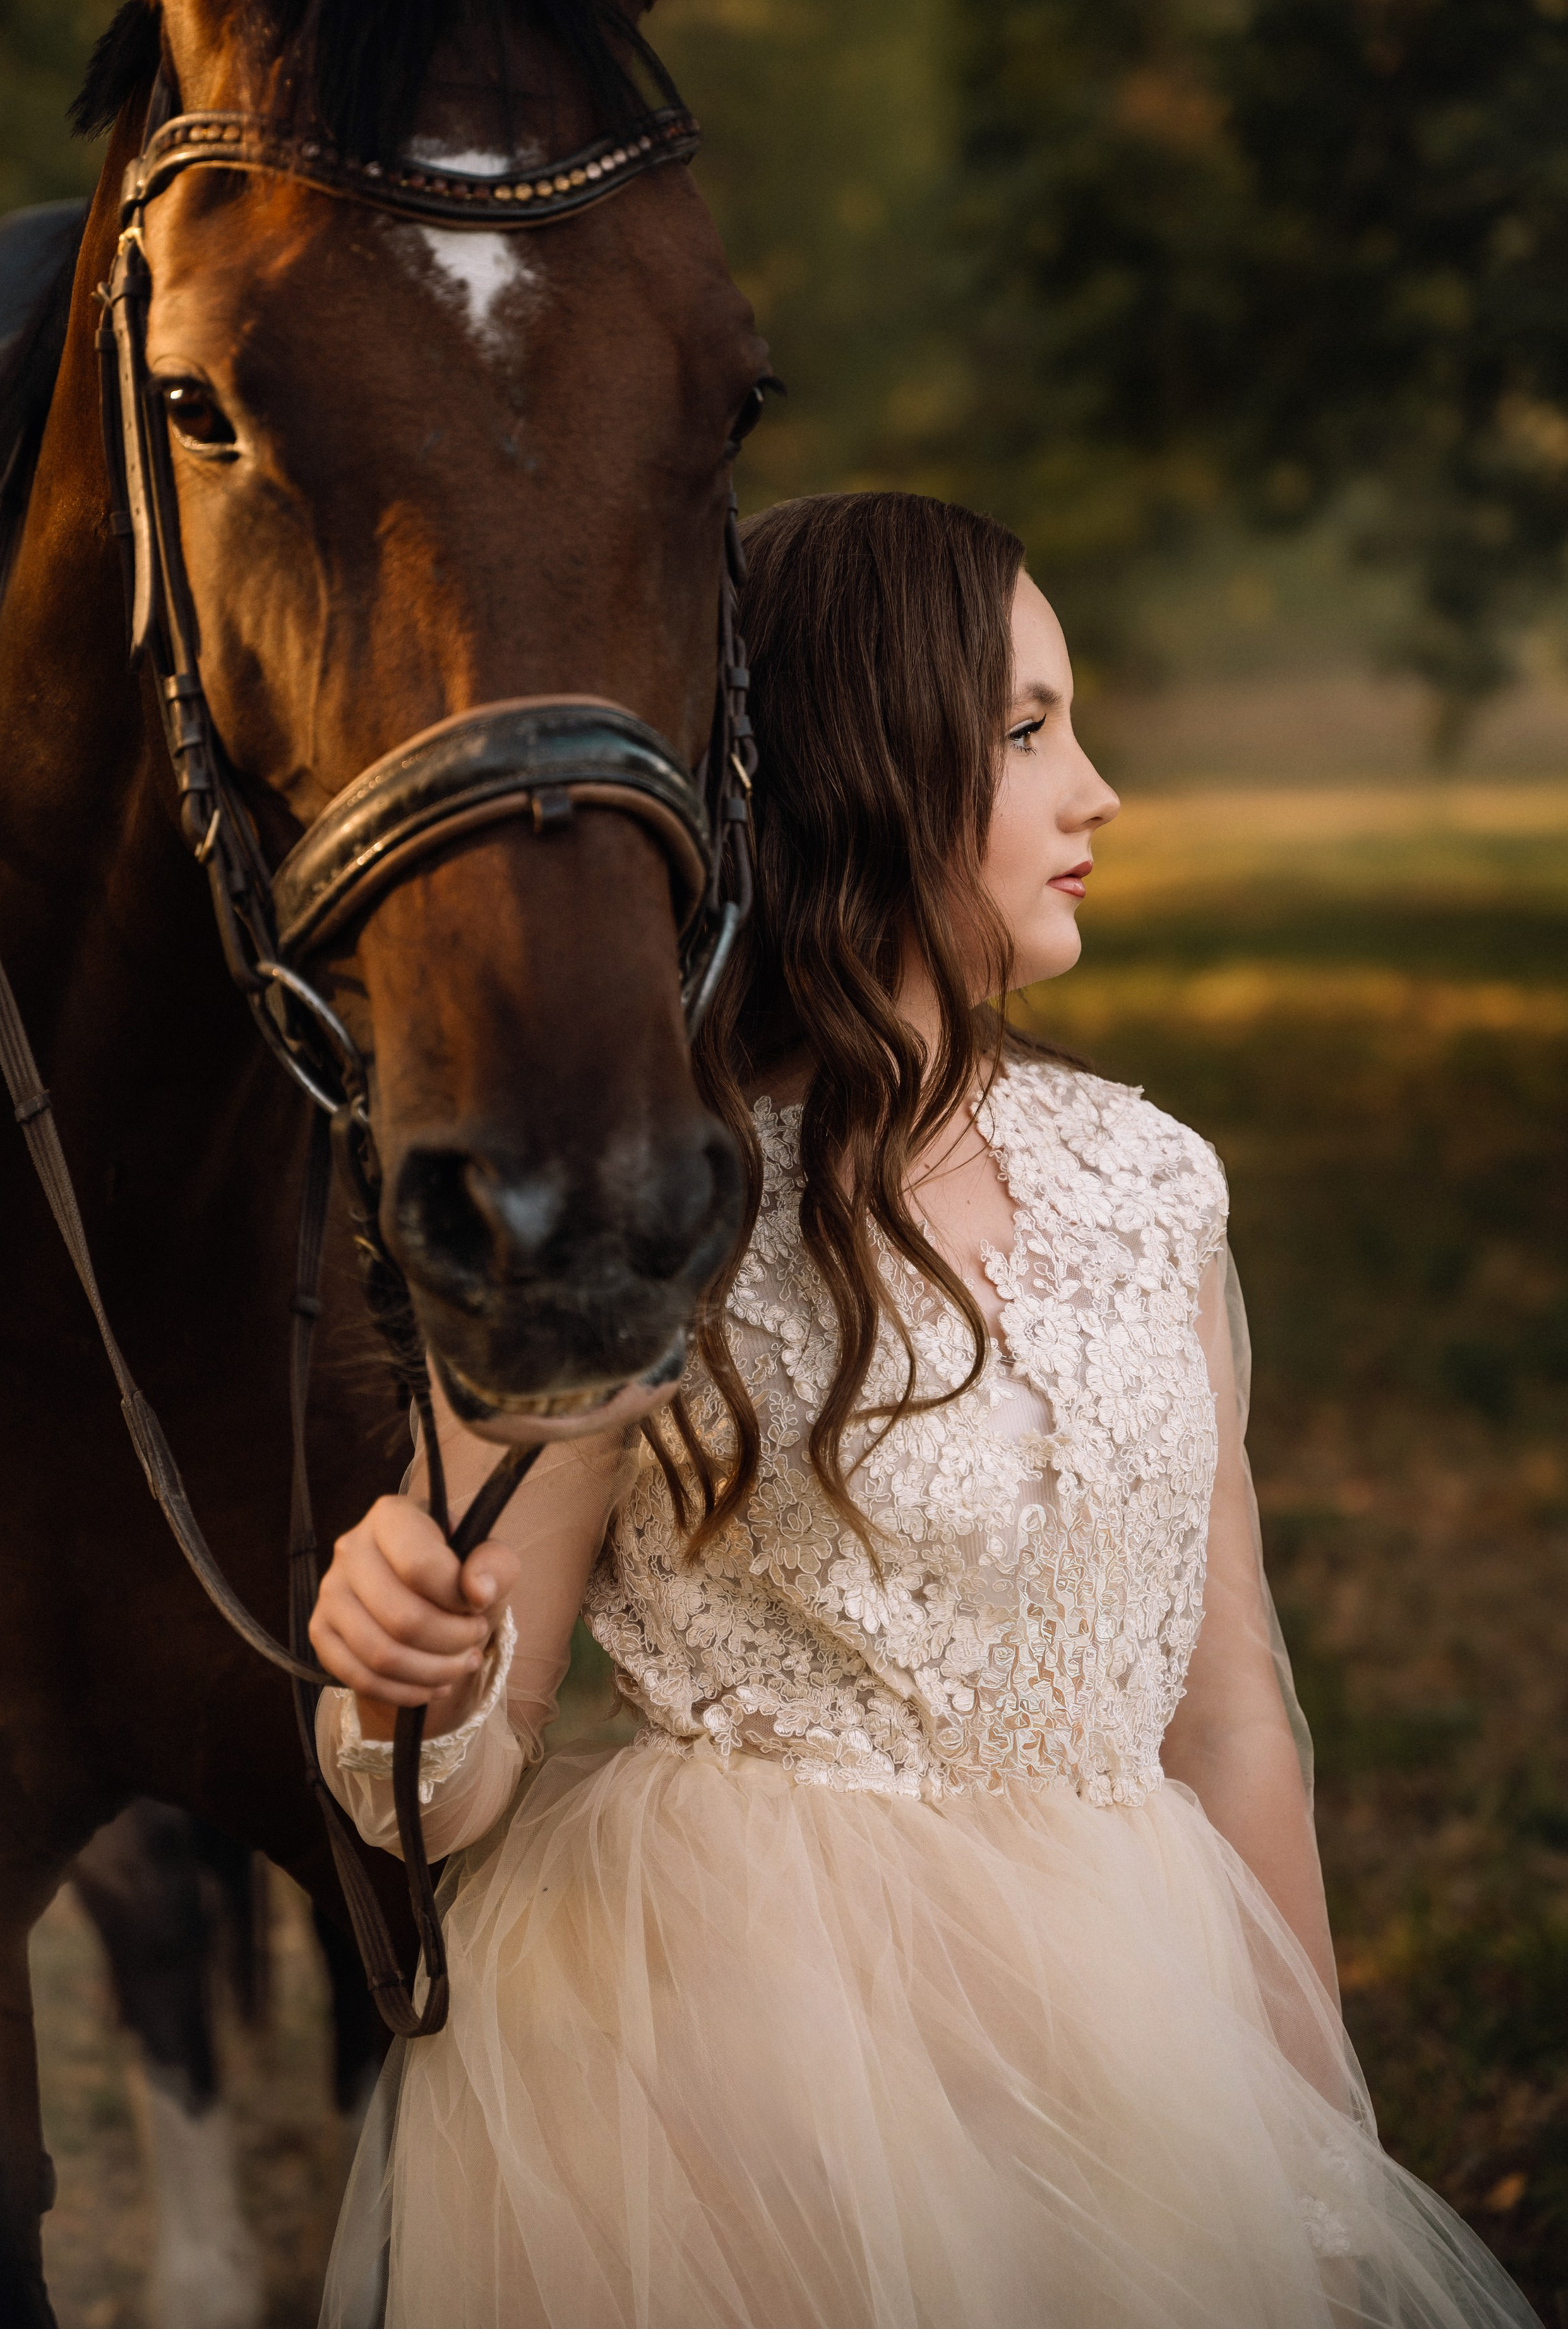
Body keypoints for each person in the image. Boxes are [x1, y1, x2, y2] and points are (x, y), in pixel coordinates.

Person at [309, 491, 1536, 2329]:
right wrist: (404, 1664)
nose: (1098, 793)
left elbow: (1229, 1716)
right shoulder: (653, 1213)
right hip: (742, 2077)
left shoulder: (1152, 1186)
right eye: (1028, 731)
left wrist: (1312, 2149)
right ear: (860, 767)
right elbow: (449, 1790)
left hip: (1127, 2036)